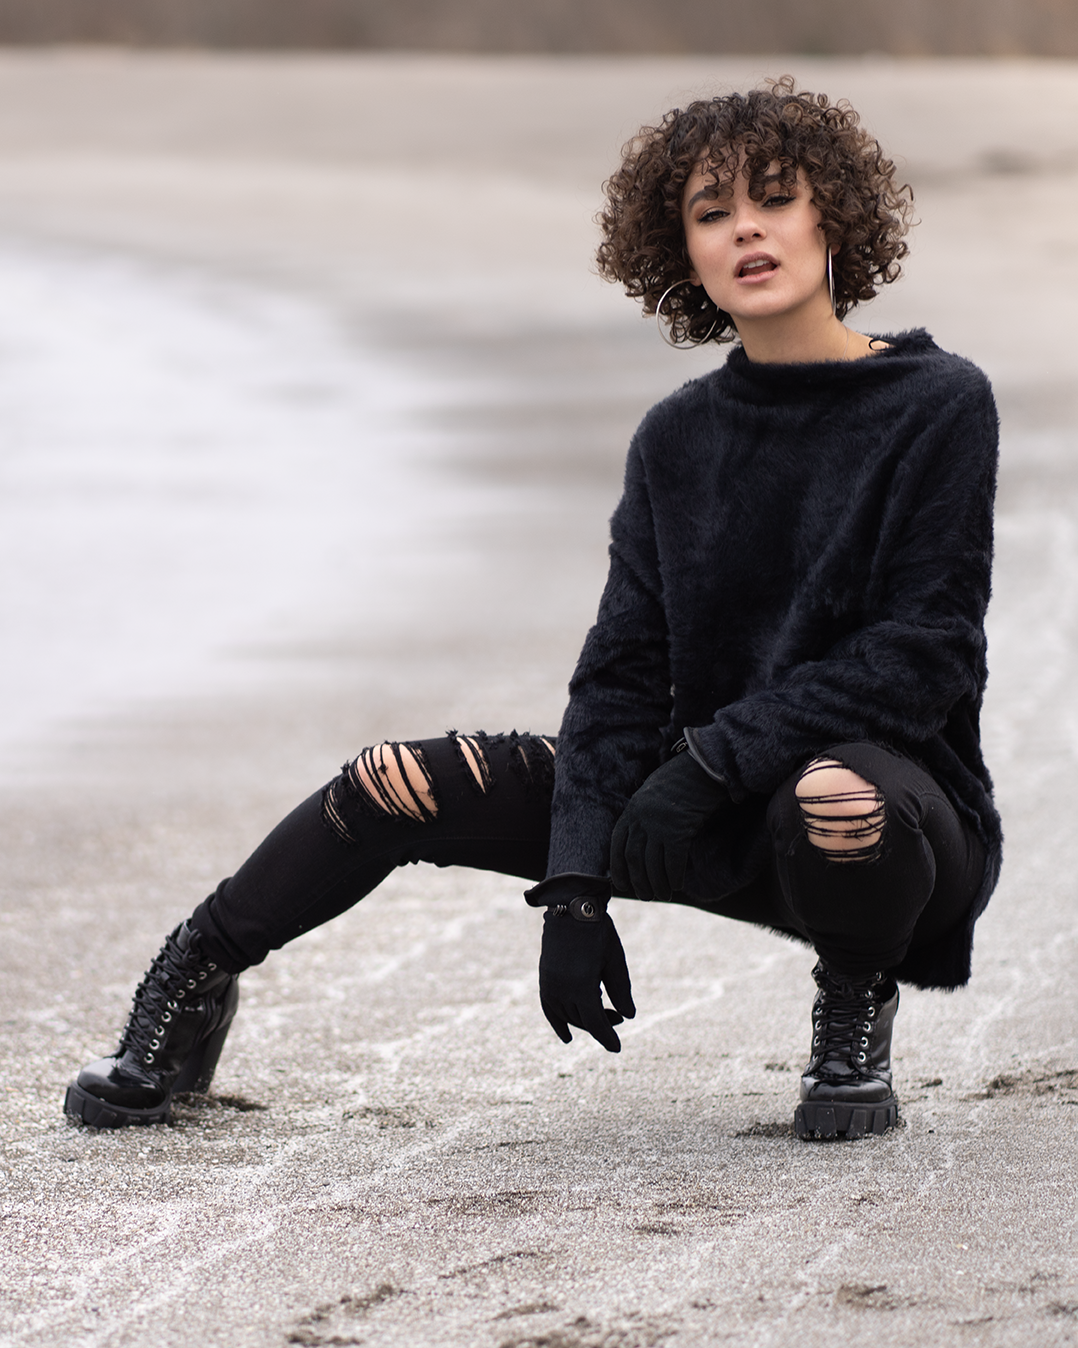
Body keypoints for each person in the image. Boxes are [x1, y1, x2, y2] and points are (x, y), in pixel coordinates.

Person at [64, 77, 1000, 1142]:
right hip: (697, 804)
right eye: (711, 212)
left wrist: (708, 763)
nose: (746, 228)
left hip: (891, 820)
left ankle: (853, 1005)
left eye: (775, 198)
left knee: (835, 796)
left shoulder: (937, 402)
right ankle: (190, 983)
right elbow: (621, 674)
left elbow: (922, 656)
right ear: (682, 254)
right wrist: (573, 887)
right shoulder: (676, 439)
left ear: (832, 215)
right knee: (392, 781)